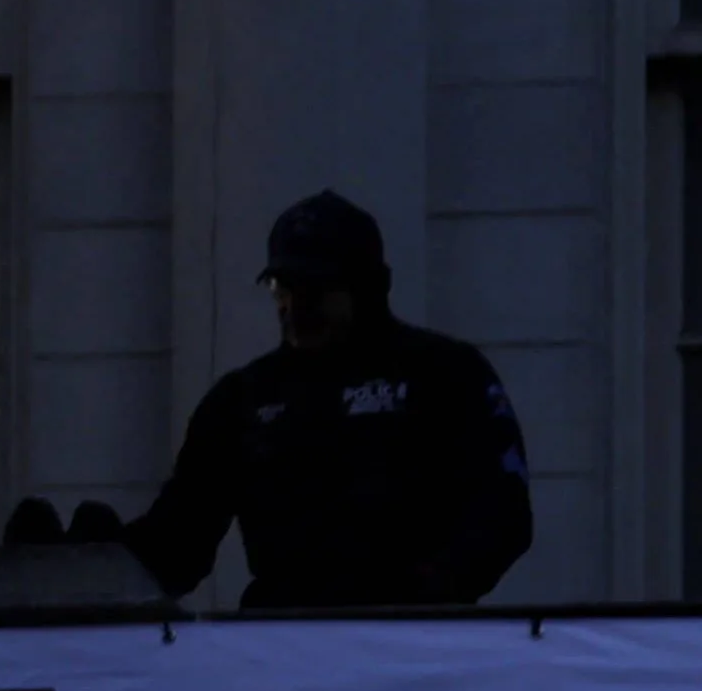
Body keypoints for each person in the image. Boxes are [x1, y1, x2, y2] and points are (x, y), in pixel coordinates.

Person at [93, 191, 531, 608]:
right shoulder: (242, 399)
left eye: (315, 289)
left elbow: (502, 517)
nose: (294, 308)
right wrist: (95, 563)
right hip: (283, 655)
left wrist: (418, 599)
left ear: (369, 288)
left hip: (412, 653)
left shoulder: (445, 374)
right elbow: (180, 542)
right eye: (282, 288)